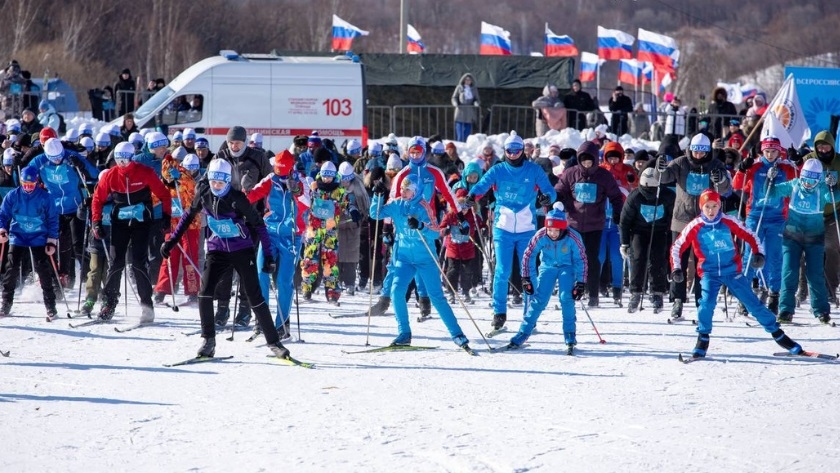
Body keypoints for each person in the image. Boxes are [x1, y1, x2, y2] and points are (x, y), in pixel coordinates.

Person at [161, 158, 291, 360]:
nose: (216, 186)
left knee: (255, 297)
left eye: (221, 182)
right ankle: (208, 341)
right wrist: (171, 241)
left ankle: (274, 342)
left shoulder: (237, 198)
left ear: (228, 181)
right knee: (205, 293)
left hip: (241, 250)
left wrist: (267, 254)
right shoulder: (203, 194)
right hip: (217, 250)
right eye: (213, 181)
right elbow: (188, 216)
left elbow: (258, 225)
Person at [670, 189, 804, 359]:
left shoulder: (728, 221)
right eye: (707, 207)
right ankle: (703, 338)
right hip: (709, 272)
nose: (711, 211)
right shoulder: (695, 226)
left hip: (732, 271)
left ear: (719, 206)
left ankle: (779, 335)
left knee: (753, 303)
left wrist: (758, 253)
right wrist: (676, 268)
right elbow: (677, 247)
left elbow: (751, 235)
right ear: (701, 208)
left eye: (714, 206)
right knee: (705, 304)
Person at [370, 173, 472, 351]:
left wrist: (420, 226)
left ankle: (457, 334)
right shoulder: (396, 204)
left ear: (415, 191)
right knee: (396, 291)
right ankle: (404, 333)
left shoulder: (424, 207)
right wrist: (377, 195)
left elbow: (435, 233)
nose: (403, 191)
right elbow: (375, 214)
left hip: (425, 258)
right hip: (404, 258)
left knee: (436, 297)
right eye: (402, 188)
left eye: (407, 189)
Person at [467, 131, 556, 330]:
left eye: (517, 150)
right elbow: (481, 185)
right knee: (502, 271)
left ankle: (529, 315)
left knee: (528, 271)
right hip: (503, 228)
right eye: (510, 151)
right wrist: (472, 196)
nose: (514, 154)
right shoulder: (498, 170)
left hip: (526, 228)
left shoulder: (533, 170)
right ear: (505, 151)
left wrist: (547, 198)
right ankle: (499, 313)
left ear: (522, 151)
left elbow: (549, 189)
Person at [90, 142, 172, 322]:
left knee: (138, 263)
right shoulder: (110, 175)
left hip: (141, 223)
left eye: (125, 160)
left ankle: (146, 305)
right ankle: (109, 303)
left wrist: (166, 215)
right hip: (119, 224)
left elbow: (164, 194)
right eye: (118, 160)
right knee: (116, 263)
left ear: (132, 158)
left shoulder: (145, 172)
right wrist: (96, 222)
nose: (122, 164)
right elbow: (97, 199)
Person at [654, 134, 732, 319]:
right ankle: (677, 300)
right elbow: (663, 178)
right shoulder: (681, 163)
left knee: (702, 263)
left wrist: (720, 179)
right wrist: (660, 168)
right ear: (690, 150)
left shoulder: (715, 164)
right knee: (678, 260)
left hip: (706, 221)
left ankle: (701, 299)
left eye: (702, 152)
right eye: (696, 151)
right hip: (681, 219)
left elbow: (726, 189)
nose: (698, 155)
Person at [766, 158, 839, 323]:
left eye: (812, 180)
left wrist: (832, 186)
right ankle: (785, 310)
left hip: (815, 238)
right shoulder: (794, 185)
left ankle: (821, 310)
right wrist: (770, 179)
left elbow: (834, 198)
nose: (807, 183)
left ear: (818, 179)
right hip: (792, 237)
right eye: (805, 179)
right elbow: (771, 192)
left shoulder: (821, 189)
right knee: (789, 272)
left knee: (815, 274)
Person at [246, 150, 309, 338]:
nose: (279, 174)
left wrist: (296, 191)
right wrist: (245, 191)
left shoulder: (301, 180)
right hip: (270, 233)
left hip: (291, 236)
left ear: (290, 169)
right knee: (260, 274)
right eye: (277, 170)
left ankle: (281, 324)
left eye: (283, 171)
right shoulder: (270, 179)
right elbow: (252, 196)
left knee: (284, 281)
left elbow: (307, 202)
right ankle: (261, 320)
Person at [507, 202, 586, 352]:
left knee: (566, 298)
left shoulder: (573, 237)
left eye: (556, 230)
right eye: (550, 230)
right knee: (539, 300)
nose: (553, 234)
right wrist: (526, 278)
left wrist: (580, 282)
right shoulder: (541, 235)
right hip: (547, 268)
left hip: (566, 268)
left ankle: (569, 333)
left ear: (563, 228)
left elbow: (581, 259)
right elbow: (528, 255)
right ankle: (523, 332)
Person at [731, 136, 796, 316]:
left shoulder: (785, 168)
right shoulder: (756, 166)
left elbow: (800, 179)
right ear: (762, 151)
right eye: (767, 151)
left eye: (773, 151)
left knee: (775, 257)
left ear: (779, 151)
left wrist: (796, 160)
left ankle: (774, 295)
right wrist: (742, 168)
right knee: (751, 256)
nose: (770, 154)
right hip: (755, 216)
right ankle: (745, 297)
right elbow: (737, 185)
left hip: (777, 218)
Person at [555, 141, 624, 307]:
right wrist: (555, 200)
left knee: (592, 259)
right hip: (573, 224)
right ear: (578, 160)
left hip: (595, 224)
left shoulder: (603, 176)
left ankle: (593, 294)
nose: (586, 164)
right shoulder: (570, 173)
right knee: (571, 258)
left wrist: (617, 212)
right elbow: (559, 190)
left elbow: (615, 196)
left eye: (589, 161)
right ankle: (570, 292)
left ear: (595, 160)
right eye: (583, 161)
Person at [27, 138, 99, 289]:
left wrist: (82, 164)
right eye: (54, 159)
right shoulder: (39, 161)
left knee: (78, 245)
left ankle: (92, 280)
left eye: (60, 156)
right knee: (52, 243)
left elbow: (95, 173)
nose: (58, 160)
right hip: (53, 208)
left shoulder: (71, 156)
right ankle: (55, 277)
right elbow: (25, 175)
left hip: (74, 207)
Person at [0, 166, 59, 319]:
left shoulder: (45, 197)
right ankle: (6, 304)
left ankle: (50, 305)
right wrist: (2, 229)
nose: (28, 188)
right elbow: (3, 214)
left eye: (31, 185)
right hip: (18, 235)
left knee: (42, 269)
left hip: (38, 236)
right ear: (20, 182)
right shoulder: (13, 196)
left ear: (37, 182)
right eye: (25, 184)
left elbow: (53, 219)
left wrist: (52, 241)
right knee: (11, 267)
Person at [620, 166, 676, 312]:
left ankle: (657, 292)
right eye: (647, 188)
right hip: (639, 231)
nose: (649, 192)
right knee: (637, 258)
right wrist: (624, 243)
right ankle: (636, 292)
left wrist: (672, 236)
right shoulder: (635, 196)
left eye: (653, 188)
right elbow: (625, 221)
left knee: (658, 259)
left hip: (660, 231)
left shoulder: (668, 196)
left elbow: (673, 217)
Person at [153, 154, 199, 305]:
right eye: (166, 175)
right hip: (173, 224)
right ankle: (162, 290)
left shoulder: (186, 179)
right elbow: (154, 196)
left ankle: (192, 290)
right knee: (169, 255)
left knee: (189, 258)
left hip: (190, 225)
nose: (169, 178)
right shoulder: (165, 184)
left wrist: (180, 178)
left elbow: (193, 191)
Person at [801, 130, 840, 305]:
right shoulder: (808, 159)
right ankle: (803, 288)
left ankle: (830, 287)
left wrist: (835, 187)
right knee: (803, 251)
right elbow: (796, 174)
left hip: (833, 213)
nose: (823, 149)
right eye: (819, 146)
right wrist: (795, 158)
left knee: (831, 247)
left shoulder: (839, 162)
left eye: (826, 145)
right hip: (811, 213)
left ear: (832, 145)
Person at [300, 161, 348, 304]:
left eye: (330, 176)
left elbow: (345, 205)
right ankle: (307, 288)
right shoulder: (314, 187)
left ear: (334, 176)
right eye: (325, 176)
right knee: (310, 259)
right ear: (321, 174)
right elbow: (306, 201)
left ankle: (332, 292)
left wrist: (352, 210)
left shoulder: (339, 190)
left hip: (330, 230)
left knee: (330, 261)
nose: (327, 179)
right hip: (314, 229)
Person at [336, 161, 369, 295]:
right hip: (337, 224)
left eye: (347, 180)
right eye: (342, 180)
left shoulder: (358, 186)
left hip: (352, 226)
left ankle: (349, 283)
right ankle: (336, 281)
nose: (345, 183)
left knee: (351, 255)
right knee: (336, 254)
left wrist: (360, 214)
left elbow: (364, 204)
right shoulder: (334, 186)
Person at [451, 73, 480, 142]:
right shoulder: (459, 87)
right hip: (460, 111)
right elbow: (454, 97)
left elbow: (477, 99)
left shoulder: (474, 89)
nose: (468, 81)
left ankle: (466, 145)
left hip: (469, 112)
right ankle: (459, 144)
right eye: (466, 80)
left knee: (467, 133)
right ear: (463, 80)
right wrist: (455, 103)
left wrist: (476, 103)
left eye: (469, 80)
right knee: (460, 134)